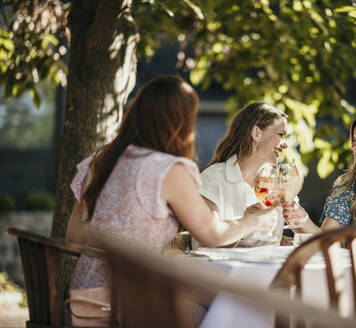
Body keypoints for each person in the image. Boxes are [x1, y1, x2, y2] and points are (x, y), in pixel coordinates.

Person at [66, 76, 276, 299]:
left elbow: (74, 237)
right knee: (234, 306)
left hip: (82, 296)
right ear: (179, 123)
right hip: (131, 305)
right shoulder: (168, 169)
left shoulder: (100, 160)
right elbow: (212, 235)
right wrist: (254, 221)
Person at [198, 102, 308, 247]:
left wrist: (303, 219)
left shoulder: (279, 181)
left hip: (270, 268)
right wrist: (248, 223)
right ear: (257, 133)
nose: (285, 144)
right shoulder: (214, 178)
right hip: (224, 269)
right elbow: (205, 243)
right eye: (280, 134)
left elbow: (314, 236)